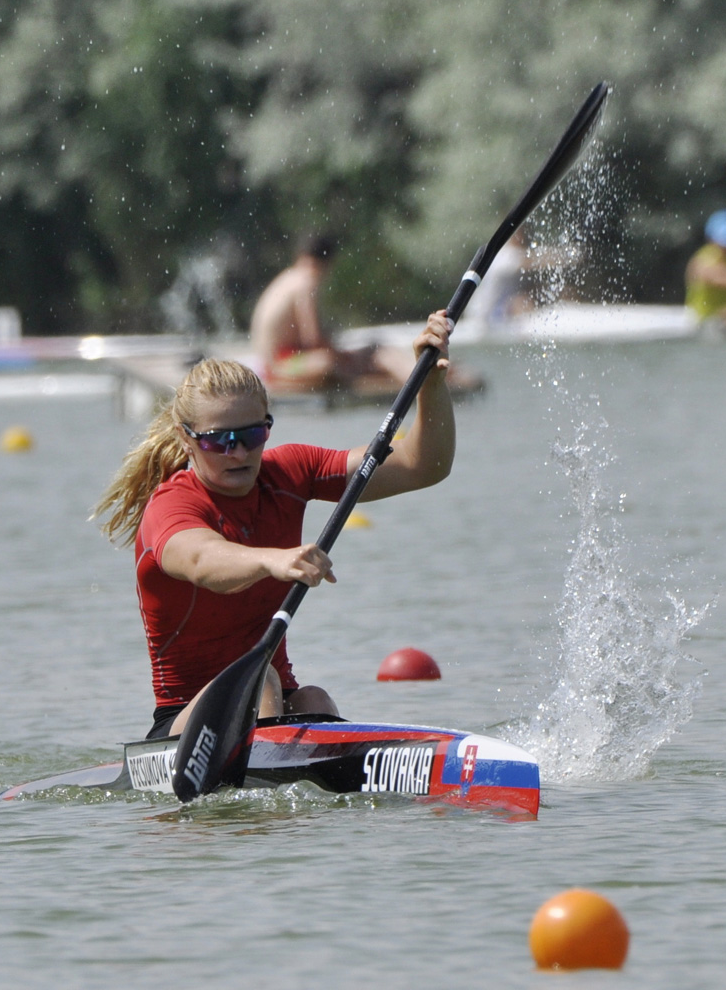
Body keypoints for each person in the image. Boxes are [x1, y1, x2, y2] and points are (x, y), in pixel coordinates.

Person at [95, 311, 458, 740]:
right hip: (184, 730)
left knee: (314, 699)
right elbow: (200, 560)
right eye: (218, 441)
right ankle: (269, 794)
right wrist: (274, 560)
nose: (238, 453)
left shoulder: (289, 471)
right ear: (186, 438)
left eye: (251, 435)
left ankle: (304, 791)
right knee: (260, 680)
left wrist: (430, 382)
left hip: (272, 703)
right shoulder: (171, 505)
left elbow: (423, 466)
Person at [250, 235, 478, 395]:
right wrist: (347, 358)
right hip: (282, 367)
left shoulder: (289, 277)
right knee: (371, 353)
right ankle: (428, 380)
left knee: (369, 353)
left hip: (281, 363)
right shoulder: (306, 282)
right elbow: (314, 340)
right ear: (327, 262)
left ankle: (421, 374)